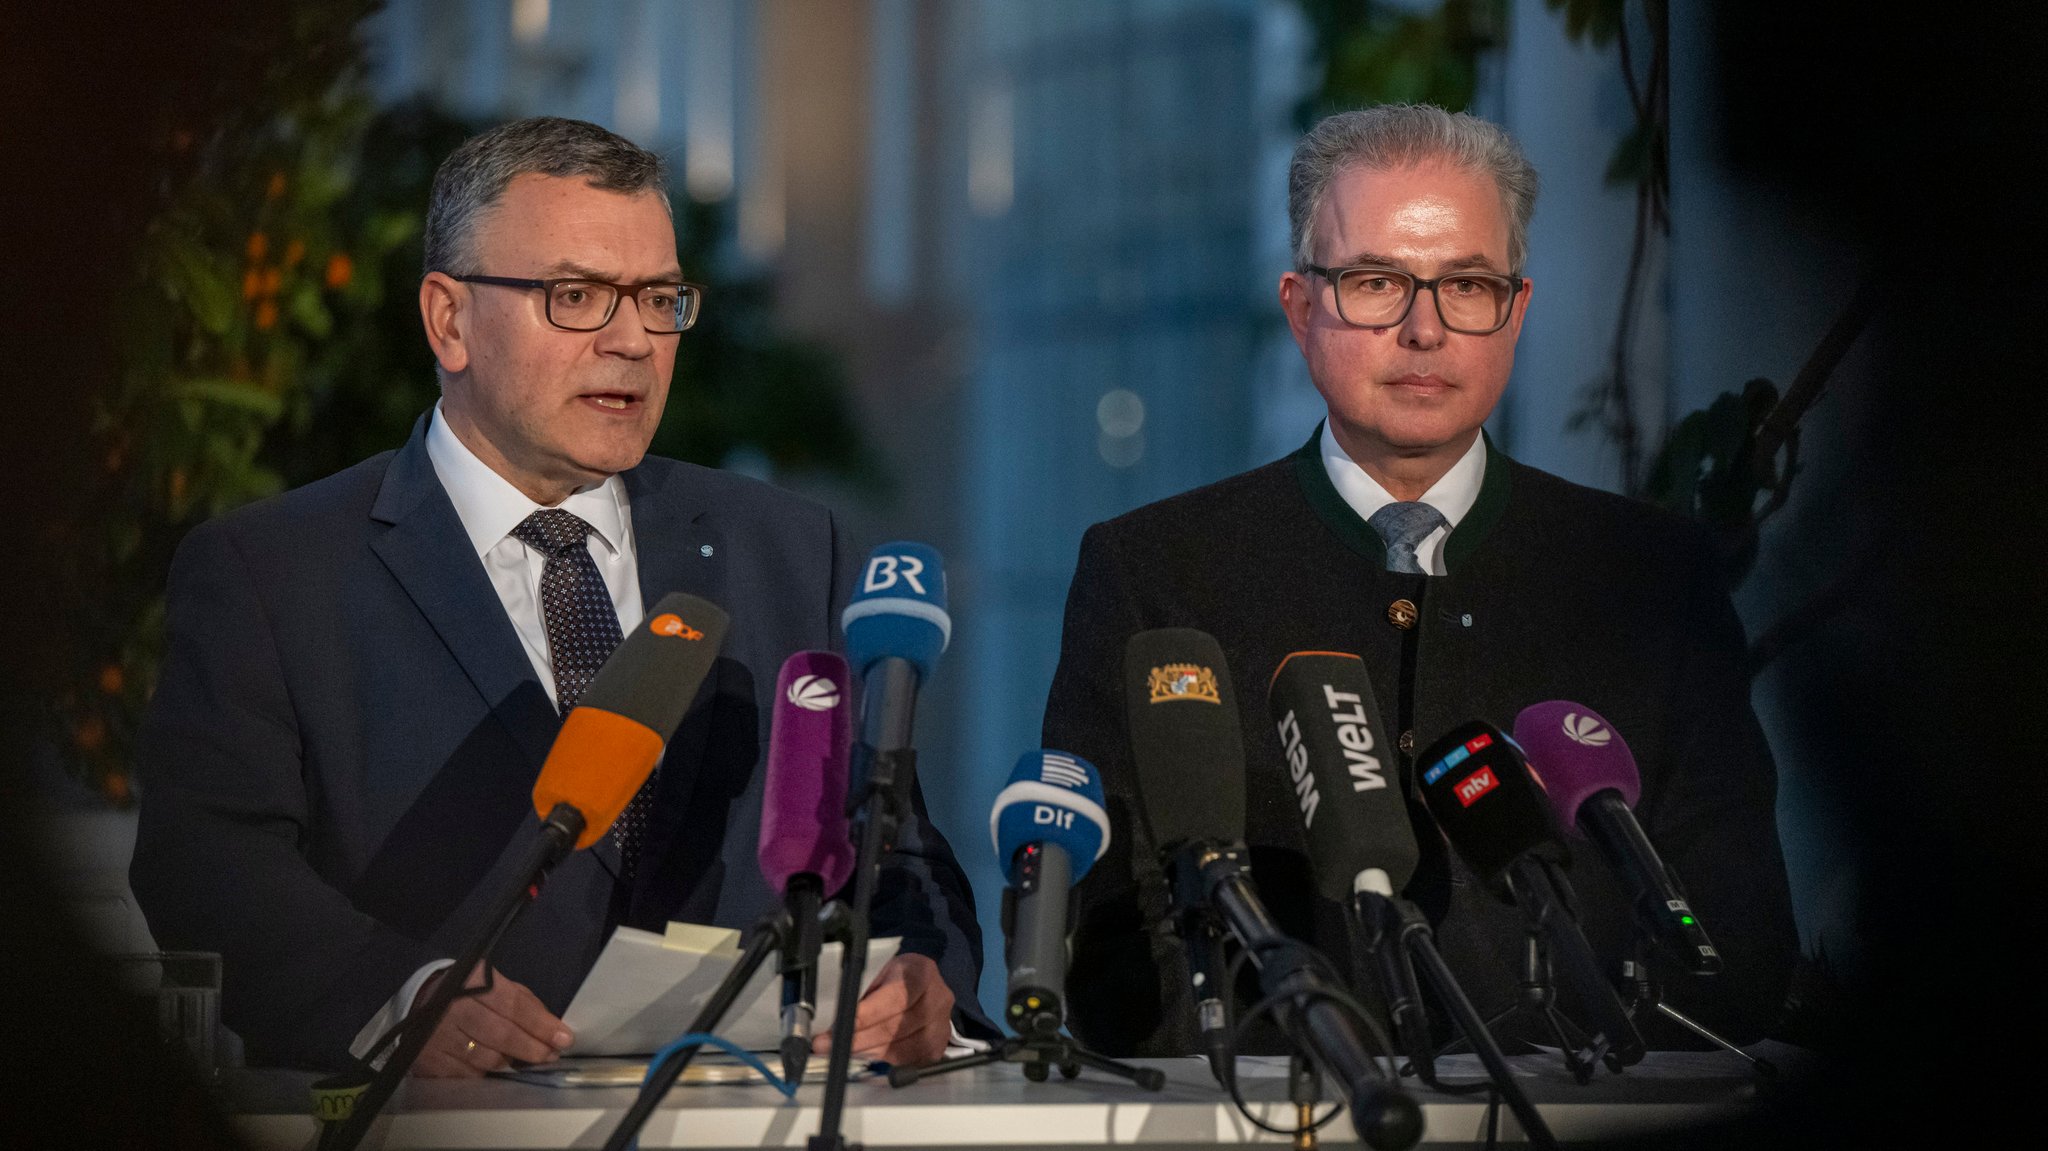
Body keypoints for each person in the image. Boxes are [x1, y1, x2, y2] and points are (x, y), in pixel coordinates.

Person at [131, 117, 984, 1074]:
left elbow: (897, 851)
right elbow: (205, 864)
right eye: (576, 295)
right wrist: (392, 997)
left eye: (660, 298)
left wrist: (925, 978)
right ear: (449, 319)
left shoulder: (785, 546)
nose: (631, 341)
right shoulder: (272, 572)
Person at [1044, 105, 1798, 1055]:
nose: (1425, 329)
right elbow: (1102, 947)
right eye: (1375, 282)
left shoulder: (1650, 577)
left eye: (1469, 286)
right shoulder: (1156, 570)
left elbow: (1743, 945)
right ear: (1300, 306)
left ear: (1516, 312)